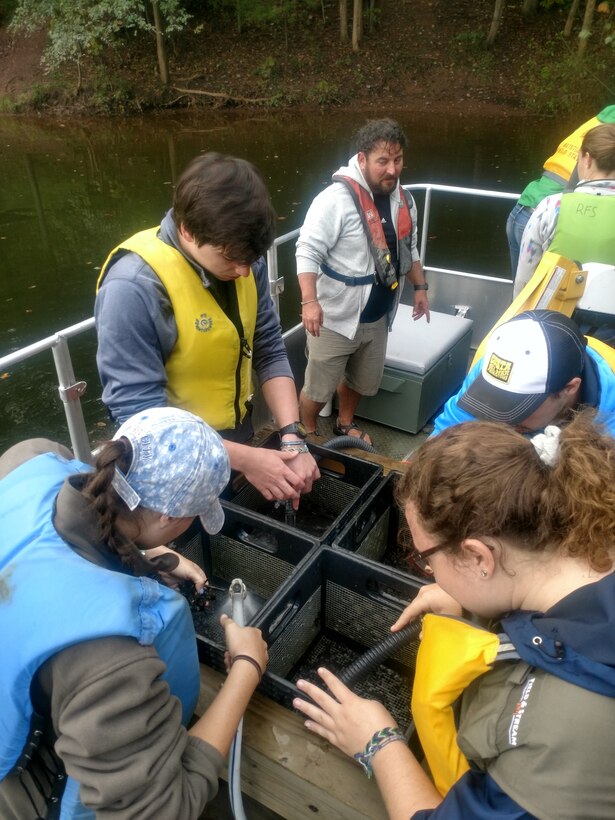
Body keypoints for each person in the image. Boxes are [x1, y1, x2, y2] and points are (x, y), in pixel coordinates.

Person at [294, 411, 615, 819]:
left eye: (426, 559)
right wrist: (475, 609)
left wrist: (379, 742)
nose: (430, 574)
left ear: (479, 555)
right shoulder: (593, 536)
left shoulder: (558, 731)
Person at [0, 407, 269, 819]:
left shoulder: (31, 457)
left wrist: (142, 551)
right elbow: (164, 810)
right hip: (32, 791)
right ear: (169, 518)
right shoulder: (107, 664)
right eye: (194, 515)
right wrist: (246, 669)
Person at [95, 152, 319, 506]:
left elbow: (269, 347)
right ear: (187, 230)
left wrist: (292, 437)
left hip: (234, 436)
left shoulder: (245, 260)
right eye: (231, 259)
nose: (245, 272)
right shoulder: (133, 288)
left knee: (228, 520)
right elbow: (141, 420)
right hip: (168, 464)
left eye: (251, 260)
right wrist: (249, 461)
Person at [296, 118, 430, 445]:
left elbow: (408, 248)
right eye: (382, 161)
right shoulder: (334, 200)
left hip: (379, 315)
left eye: (397, 160)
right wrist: (309, 302)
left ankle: (344, 422)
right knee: (318, 385)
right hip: (335, 316)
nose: (392, 169)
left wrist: (421, 288)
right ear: (362, 159)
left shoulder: (405, 200)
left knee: (361, 381)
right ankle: (307, 431)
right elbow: (307, 250)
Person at [432, 309, 615, 437]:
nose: (500, 420)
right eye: (495, 398)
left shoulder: (610, 411)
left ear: (569, 388)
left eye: (517, 405)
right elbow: (449, 430)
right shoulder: (496, 365)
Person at [506, 104, 615, 277]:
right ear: (587, 159)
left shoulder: (603, 118)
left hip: (525, 207)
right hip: (549, 217)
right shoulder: (609, 137)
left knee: (526, 293)